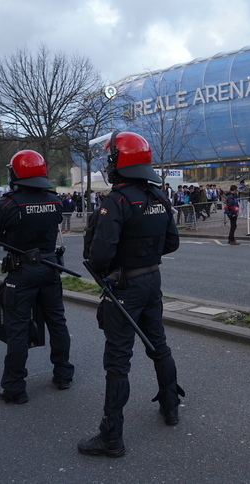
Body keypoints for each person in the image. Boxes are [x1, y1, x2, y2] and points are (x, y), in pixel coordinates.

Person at [78, 131, 183, 458]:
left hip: (124, 287)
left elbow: (99, 254)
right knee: (159, 345)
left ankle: (111, 436)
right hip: (152, 281)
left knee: (118, 361)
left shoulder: (118, 200)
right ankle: (170, 407)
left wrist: (113, 268)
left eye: (111, 158)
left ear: (119, 161)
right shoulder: (159, 196)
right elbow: (172, 243)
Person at [0, 150, 74, 404]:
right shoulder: (54, 200)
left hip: (22, 271)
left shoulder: (9, 203)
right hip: (50, 267)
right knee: (57, 322)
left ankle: (14, 388)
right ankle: (63, 374)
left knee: (18, 328)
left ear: (16, 173)